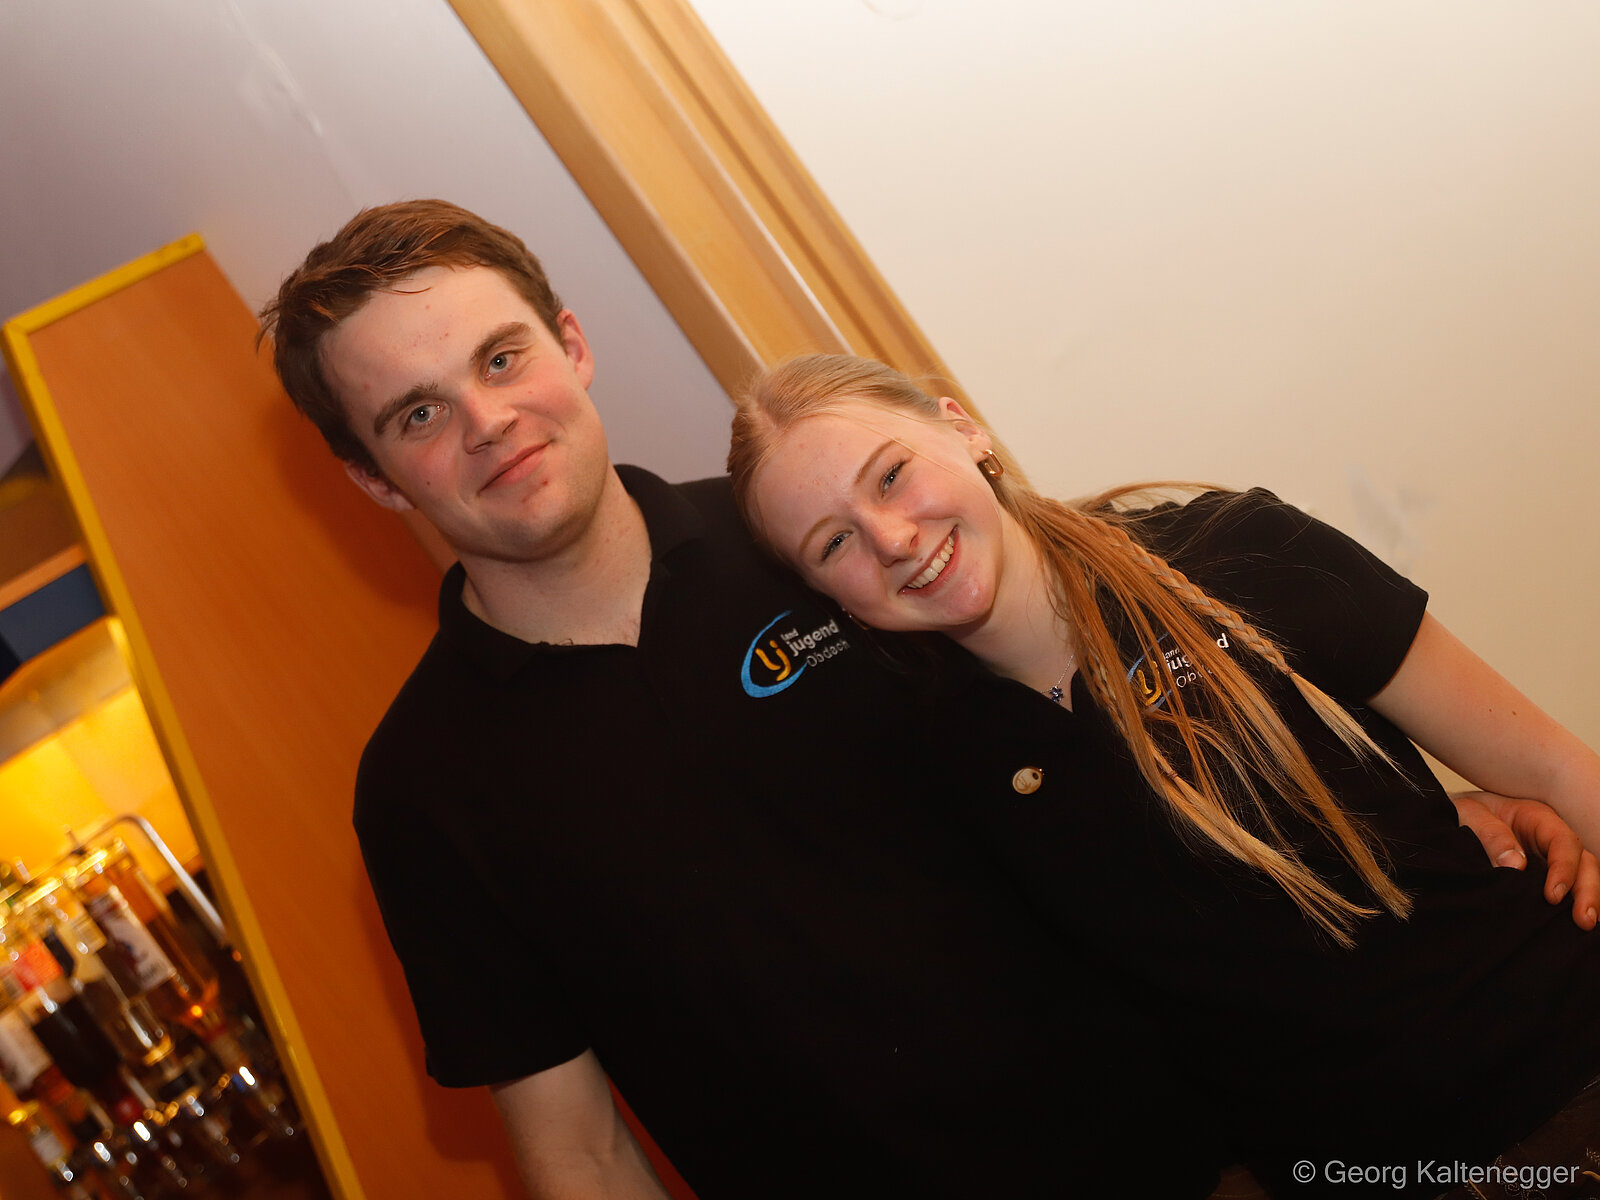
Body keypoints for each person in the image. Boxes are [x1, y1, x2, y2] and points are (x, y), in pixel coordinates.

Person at [258, 201, 1589, 1200]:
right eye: (416, 415)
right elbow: (577, 1148)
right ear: (372, 478)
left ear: (570, 344)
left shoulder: (817, 550)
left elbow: (1120, 724)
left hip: (1211, 1162)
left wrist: (1424, 811)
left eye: (501, 359)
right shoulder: (425, 791)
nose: (486, 419)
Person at [728, 353, 1600, 1196]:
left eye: (890, 475)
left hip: (1569, 1065)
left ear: (964, 431)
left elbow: (1555, 766)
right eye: (833, 542)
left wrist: (1465, 808)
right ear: (829, 598)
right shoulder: (935, 763)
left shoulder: (1234, 551)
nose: (890, 539)